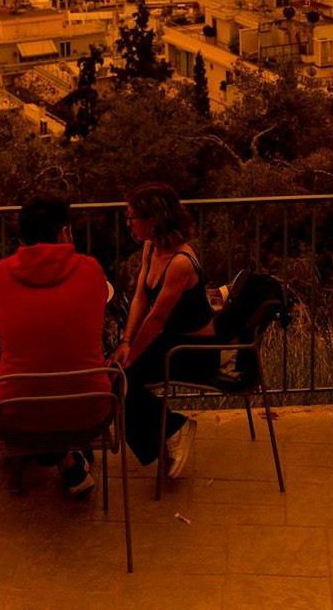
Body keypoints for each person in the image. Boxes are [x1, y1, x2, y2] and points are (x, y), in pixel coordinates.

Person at [0, 196, 112, 495]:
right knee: (48, 383)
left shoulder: (3, 272)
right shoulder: (91, 269)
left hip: (18, 414)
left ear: (22, 236)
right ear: (65, 232)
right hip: (89, 409)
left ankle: (57, 459)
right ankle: (67, 461)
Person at [113, 183, 216, 478]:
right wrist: (126, 341)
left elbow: (156, 318)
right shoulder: (152, 247)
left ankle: (174, 429)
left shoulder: (180, 262)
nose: (128, 223)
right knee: (115, 375)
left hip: (194, 352)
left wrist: (131, 355)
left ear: (154, 219)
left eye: (132, 217)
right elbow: (141, 297)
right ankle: (168, 433)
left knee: (121, 379)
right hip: (171, 340)